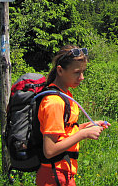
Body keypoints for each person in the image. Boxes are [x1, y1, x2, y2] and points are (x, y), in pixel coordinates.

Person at [36, 45, 110, 186]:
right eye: (77, 72)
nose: (81, 78)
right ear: (60, 70)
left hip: (63, 172)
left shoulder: (65, 95)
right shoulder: (54, 102)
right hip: (53, 175)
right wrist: (83, 134)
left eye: (83, 72)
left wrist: (86, 126)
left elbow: (64, 131)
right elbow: (49, 150)